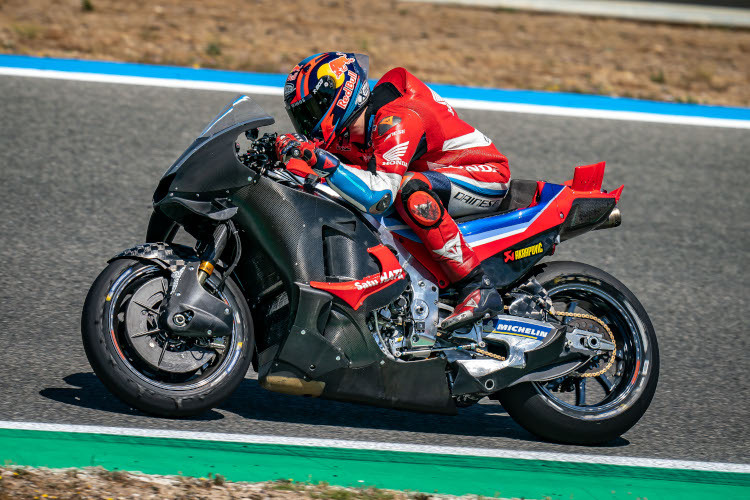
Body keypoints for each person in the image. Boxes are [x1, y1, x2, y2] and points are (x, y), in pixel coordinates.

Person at [276, 52, 510, 331]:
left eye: (312, 110)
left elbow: (378, 196)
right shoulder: (348, 130)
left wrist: (320, 161)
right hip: (435, 177)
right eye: (300, 115)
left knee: (410, 190)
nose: (307, 122)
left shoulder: (398, 119)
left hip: (484, 175)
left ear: (340, 97)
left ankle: (475, 285)